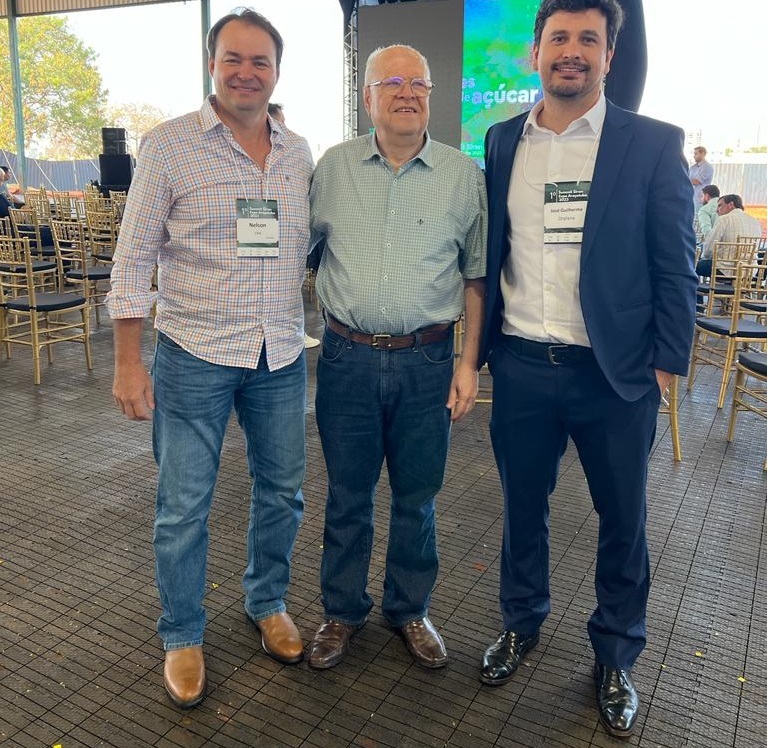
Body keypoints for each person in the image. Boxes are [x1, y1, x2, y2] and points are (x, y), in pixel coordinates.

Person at [478, 0, 697, 739]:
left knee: (623, 522)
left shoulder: (653, 144)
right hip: (522, 367)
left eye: (588, 40)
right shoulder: (503, 140)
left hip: (616, 375)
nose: (571, 51)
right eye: (559, 38)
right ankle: (521, 622)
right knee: (520, 511)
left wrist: (667, 364)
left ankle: (615, 654)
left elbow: (676, 265)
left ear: (610, 56)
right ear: (536, 52)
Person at [106, 8, 313, 709]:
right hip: (193, 353)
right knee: (183, 507)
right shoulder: (168, 145)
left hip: (280, 352)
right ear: (212, 64)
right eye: (234, 58)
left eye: (260, 61)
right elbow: (132, 257)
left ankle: (266, 601)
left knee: (283, 492)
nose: (247, 71)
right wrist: (129, 361)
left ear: (277, 72)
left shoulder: (297, 152)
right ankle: (182, 631)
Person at [307, 44, 487, 671]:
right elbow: (295, 255)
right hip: (346, 361)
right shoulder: (331, 169)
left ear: (432, 94)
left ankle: (409, 609)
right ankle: (341, 610)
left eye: (420, 82)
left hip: (428, 362)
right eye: (392, 82)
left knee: (418, 496)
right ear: (368, 96)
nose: (407, 93)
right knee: (348, 496)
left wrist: (468, 364)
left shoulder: (465, 177)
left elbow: (475, 278)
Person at [267, 102, 321, 350]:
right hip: (204, 345)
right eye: (280, 123)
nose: (284, 130)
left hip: (284, 338)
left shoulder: (297, 152)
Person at [697, 193, 763, 278]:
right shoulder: (755, 222)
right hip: (749, 271)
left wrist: (703, 257)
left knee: (692, 264)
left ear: (731, 204)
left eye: (720, 206)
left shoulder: (724, 220)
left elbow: (708, 249)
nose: (717, 210)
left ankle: (693, 290)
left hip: (724, 270)